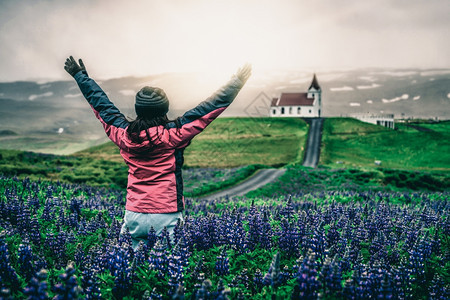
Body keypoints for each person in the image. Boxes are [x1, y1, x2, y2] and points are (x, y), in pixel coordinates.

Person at [64, 56, 251, 249]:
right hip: (167, 213)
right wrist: (237, 82)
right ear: (165, 110)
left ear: (138, 110)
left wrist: (81, 77)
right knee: (169, 268)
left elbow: (102, 106)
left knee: (129, 268)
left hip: (134, 212)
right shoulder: (174, 134)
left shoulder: (124, 134)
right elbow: (208, 108)